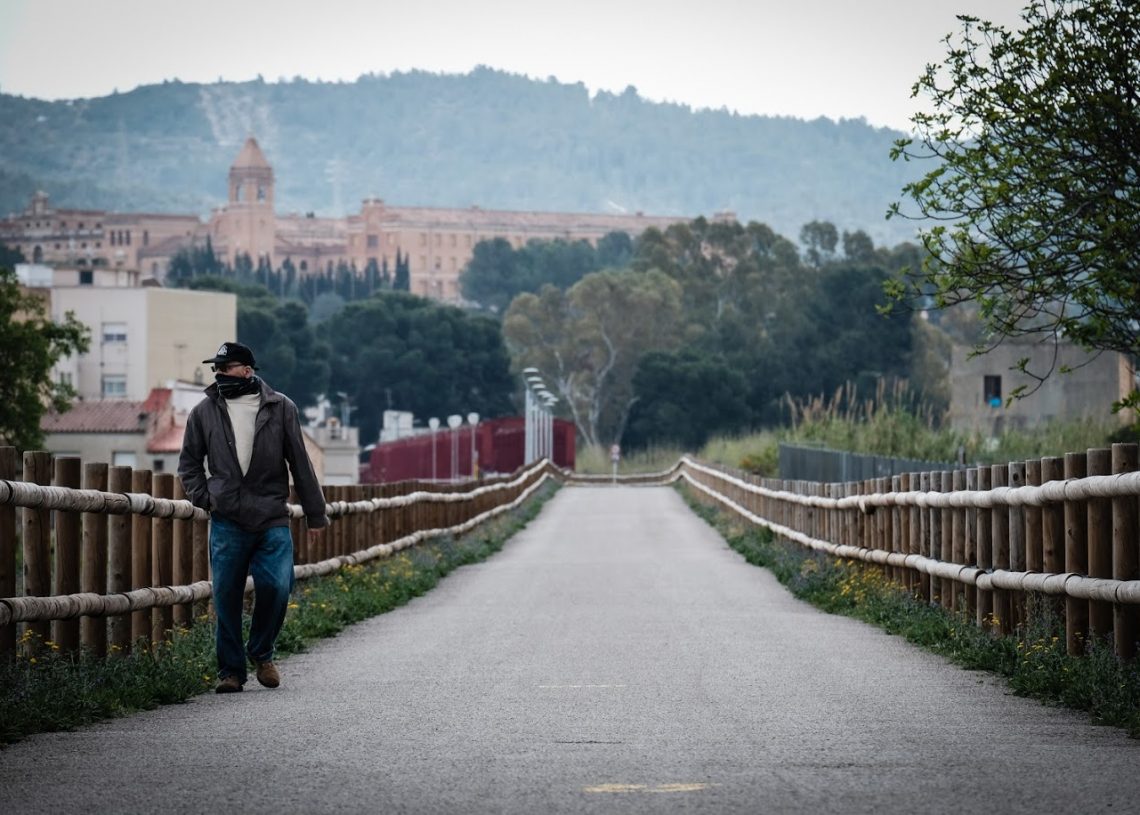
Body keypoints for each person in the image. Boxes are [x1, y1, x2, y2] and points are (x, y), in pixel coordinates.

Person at [178, 341, 328, 693]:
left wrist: (315, 514)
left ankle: (262, 652)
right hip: (227, 518)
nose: (218, 373)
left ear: (246, 370)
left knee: (277, 586)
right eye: (216, 368)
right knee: (226, 595)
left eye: (224, 367)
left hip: (271, 514)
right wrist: (206, 498)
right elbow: (188, 464)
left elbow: (300, 463)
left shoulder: (280, 407)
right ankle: (231, 672)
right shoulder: (203, 412)